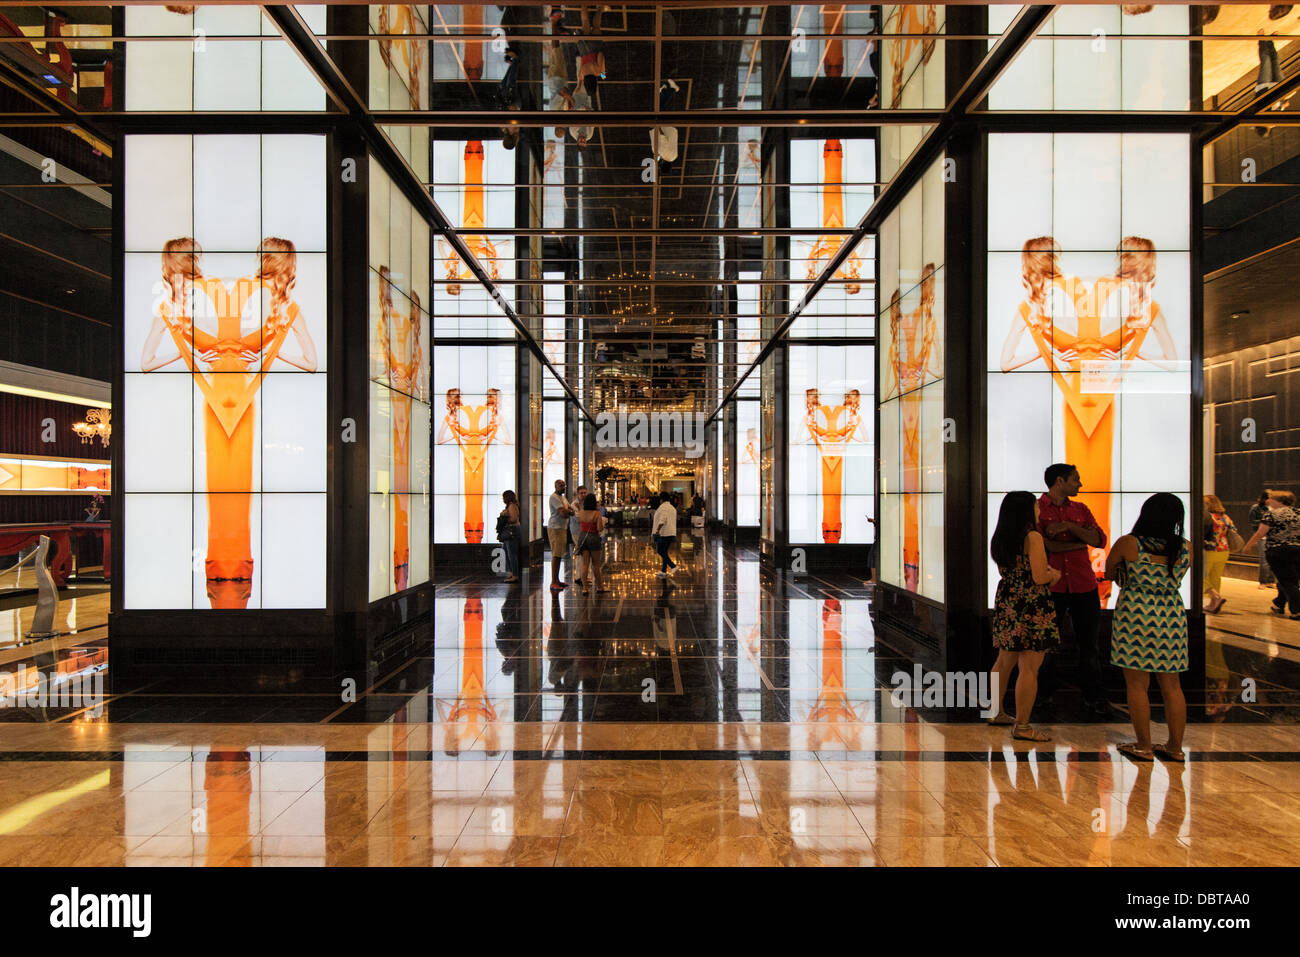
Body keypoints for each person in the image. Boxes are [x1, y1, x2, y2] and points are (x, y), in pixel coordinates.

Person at [1106, 493, 1191, 763]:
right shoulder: (1186, 547)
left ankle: (1143, 746)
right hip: (1171, 616)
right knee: (1172, 686)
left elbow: (1109, 573)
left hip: (1135, 614)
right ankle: (1175, 747)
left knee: (1137, 684)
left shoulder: (1129, 544)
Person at [988, 491, 1062, 741]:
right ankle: (1022, 726)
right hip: (1031, 603)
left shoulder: (1001, 537)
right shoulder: (1033, 537)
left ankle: (995, 711)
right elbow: (1040, 577)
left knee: (1003, 660)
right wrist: (1055, 575)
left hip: (1008, 598)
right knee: (1029, 666)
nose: (1039, 510)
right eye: (1036, 506)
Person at [1038, 463, 1109, 718]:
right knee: (1046, 646)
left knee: (1089, 645)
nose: (1080, 484)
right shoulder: (1037, 510)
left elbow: (1099, 541)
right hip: (1051, 586)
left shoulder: (1080, 509)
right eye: (1076, 480)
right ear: (1060, 481)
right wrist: (1079, 543)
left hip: (1084, 585)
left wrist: (1068, 527)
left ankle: (1093, 697)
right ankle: (1043, 696)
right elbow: (1046, 547)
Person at [1241, 490, 1300, 618]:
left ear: (1279, 501)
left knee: (1288, 581)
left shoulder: (1271, 515)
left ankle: (1297, 610)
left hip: (1278, 551)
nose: (1268, 501)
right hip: (1297, 550)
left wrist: (1248, 545)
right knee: (1289, 578)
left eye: (1271, 499)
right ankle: (1279, 604)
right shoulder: (1298, 513)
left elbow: (1260, 533)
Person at [1202, 494, 1239, 613]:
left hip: (1209, 549)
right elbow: (1233, 531)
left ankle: (1215, 596)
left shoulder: (1208, 517)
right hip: (1224, 550)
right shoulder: (1226, 517)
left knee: (1202, 576)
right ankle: (1213, 603)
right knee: (1215, 577)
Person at [575, 493, 608, 594]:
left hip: (583, 538)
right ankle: (599, 587)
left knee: (585, 564)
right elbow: (599, 528)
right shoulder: (596, 513)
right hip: (593, 538)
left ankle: (584, 588)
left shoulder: (581, 513)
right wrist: (603, 523)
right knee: (596, 565)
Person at [547, 478, 574, 591]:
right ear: (555, 486)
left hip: (562, 528)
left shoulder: (563, 498)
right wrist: (568, 511)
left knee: (559, 554)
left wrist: (568, 511)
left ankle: (557, 580)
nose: (563, 487)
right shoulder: (554, 497)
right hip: (555, 528)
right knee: (556, 555)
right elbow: (563, 513)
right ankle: (553, 582)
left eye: (564, 485)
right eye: (560, 485)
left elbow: (571, 510)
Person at [1249, 491, 1277, 589]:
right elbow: (1253, 522)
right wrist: (1266, 524)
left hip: (1273, 537)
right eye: (1269, 497)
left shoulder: (1275, 508)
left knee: (1273, 559)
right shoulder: (1256, 508)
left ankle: (1271, 580)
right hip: (1262, 536)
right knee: (1264, 559)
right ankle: (1263, 581)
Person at [567, 483, 590, 590]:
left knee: (584, 553)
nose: (583, 495)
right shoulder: (574, 504)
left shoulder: (585, 504)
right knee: (580, 552)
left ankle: (583, 576)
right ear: (578, 494)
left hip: (585, 531)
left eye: (585, 493)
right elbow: (578, 518)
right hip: (577, 531)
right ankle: (579, 577)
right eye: (581, 493)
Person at [496, 490, 521, 583]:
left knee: (511, 554)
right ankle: (511, 572)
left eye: (504, 497)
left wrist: (504, 516)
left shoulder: (512, 506)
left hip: (512, 531)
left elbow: (513, 519)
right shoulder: (511, 506)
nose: (503, 499)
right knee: (506, 551)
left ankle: (515, 574)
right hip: (511, 531)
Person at [652, 494, 678, 579]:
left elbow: (662, 520)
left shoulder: (663, 508)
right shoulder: (672, 508)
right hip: (671, 532)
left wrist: (657, 530)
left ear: (661, 499)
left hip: (663, 533)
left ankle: (673, 566)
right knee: (664, 552)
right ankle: (663, 570)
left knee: (660, 550)